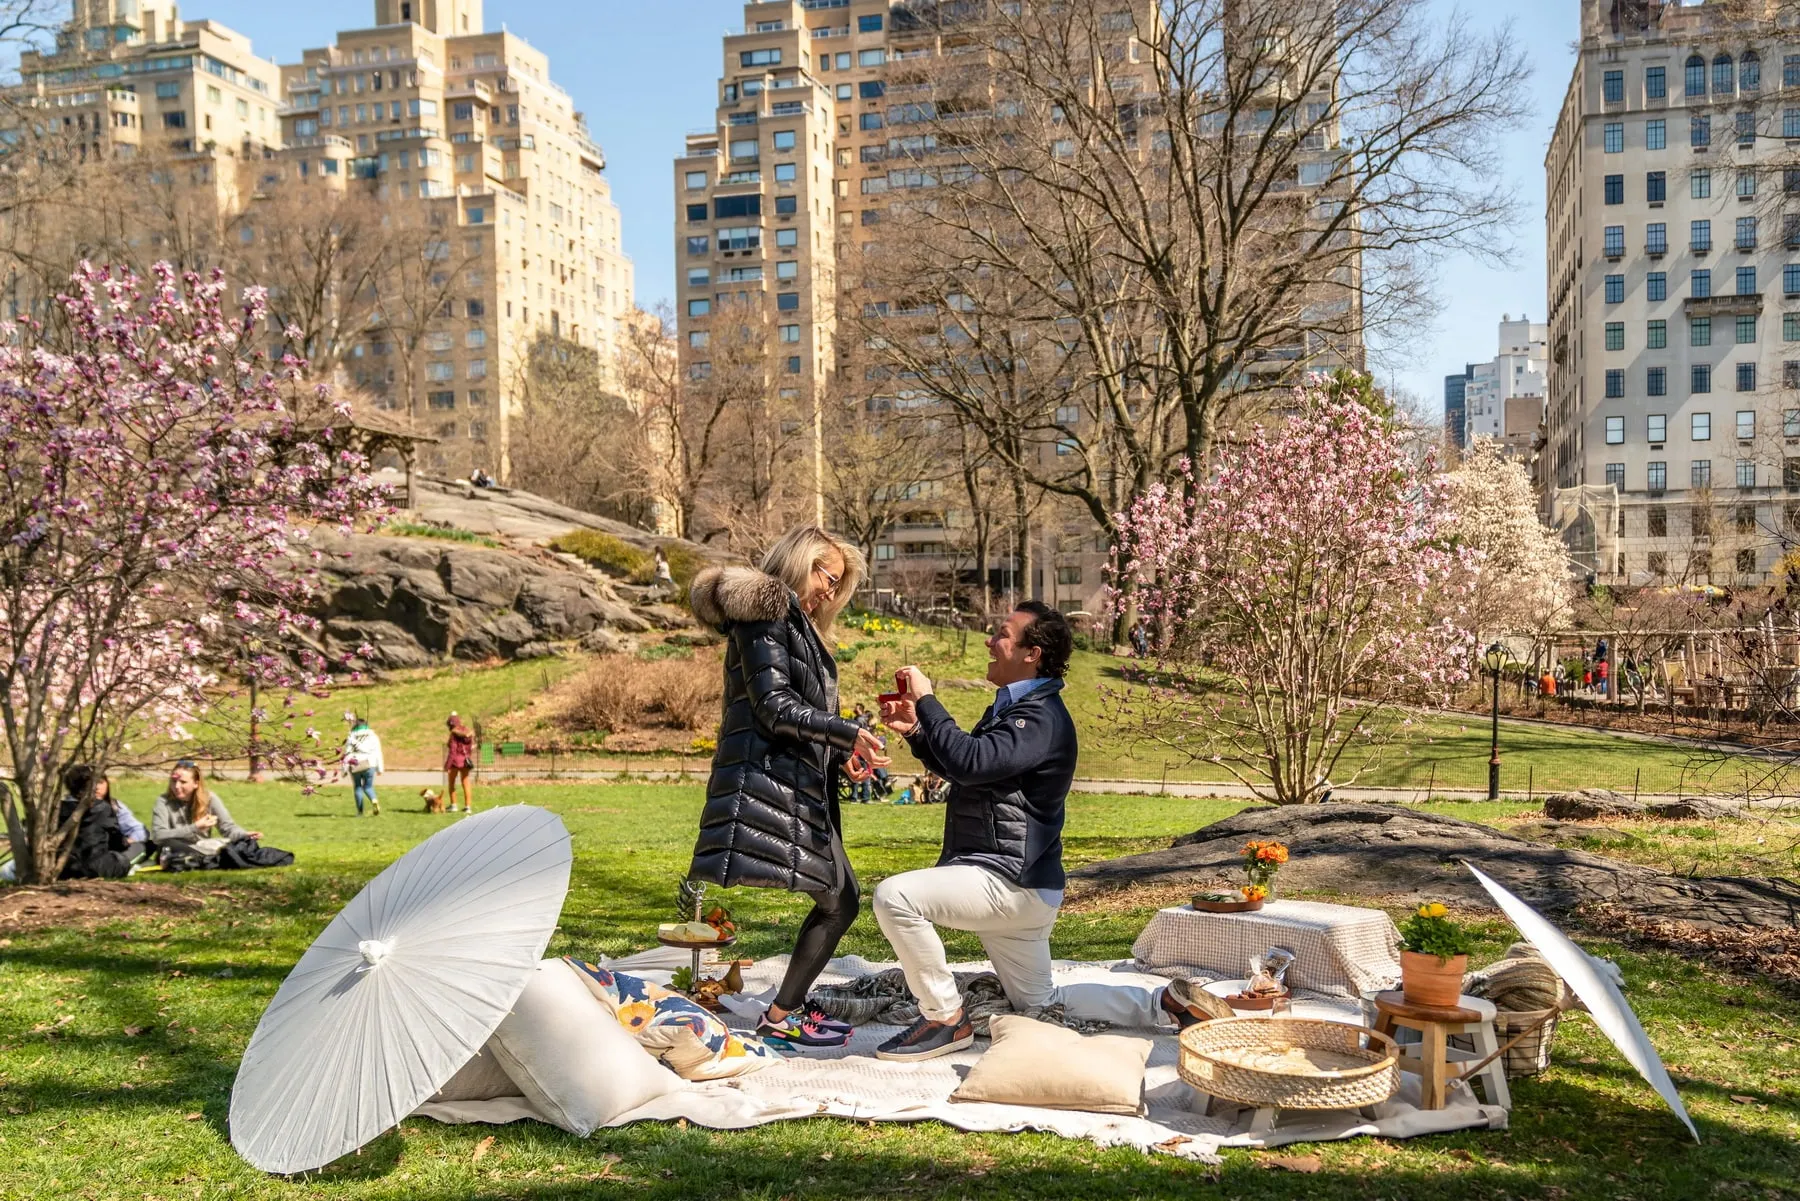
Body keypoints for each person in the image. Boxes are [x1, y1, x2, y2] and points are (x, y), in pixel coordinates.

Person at [872, 604, 1218, 1061]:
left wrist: (929, 701)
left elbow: (971, 762)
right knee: (1040, 1004)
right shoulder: (1020, 709)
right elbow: (971, 770)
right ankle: (1166, 1005)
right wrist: (919, 731)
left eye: (1001, 634)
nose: (989, 642)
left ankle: (943, 1017)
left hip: (1008, 881)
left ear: (1031, 653)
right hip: (1025, 885)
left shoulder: (1039, 717)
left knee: (895, 897)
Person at [687, 525, 889, 1051]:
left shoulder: (797, 624)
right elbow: (773, 709)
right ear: (802, 562)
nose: (830, 591)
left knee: (841, 899)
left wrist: (841, 754)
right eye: (828, 577)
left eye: (838, 584)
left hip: (798, 782)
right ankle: (782, 1015)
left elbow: (805, 712)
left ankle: (784, 1011)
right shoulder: (766, 615)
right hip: (767, 780)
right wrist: (846, 732)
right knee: (840, 900)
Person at [152, 760, 259, 860]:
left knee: (240, 843)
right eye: (173, 781)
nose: (177, 786)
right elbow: (158, 836)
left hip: (203, 846)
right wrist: (195, 828)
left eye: (183, 782)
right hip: (175, 850)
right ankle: (214, 857)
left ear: (196, 783)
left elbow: (227, 827)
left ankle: (212, 856)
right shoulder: (163, 801)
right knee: (168, 845)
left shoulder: (210, 799)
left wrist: (244, 835)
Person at [56, 765, 134, 879]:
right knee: (124, 859)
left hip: (63, 867)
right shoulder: (102, 808)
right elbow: (116, 839)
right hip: (95, 864)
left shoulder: (57, 809)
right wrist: (125, 843)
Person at [97, 774, 149, 865]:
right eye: (91, 784)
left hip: (113, 850)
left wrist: (128, 841)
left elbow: (140, 830)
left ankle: (118, 863)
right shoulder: (72, 808)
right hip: (88, 852)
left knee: (143, 846)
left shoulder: (115, 806)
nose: (96, 787)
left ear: (107, 785)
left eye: (100, 783)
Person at [341, 715, 385, 817]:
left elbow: (347, 754)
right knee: (368, 787)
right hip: (370, 764)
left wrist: (344, 770)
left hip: (355, 764)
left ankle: (360, 812)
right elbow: (378, 752)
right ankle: (374, 800)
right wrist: (380, 768)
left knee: (357, 787)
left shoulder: (351, 737)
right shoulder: (373, 736)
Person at [443, 714, 476, 813]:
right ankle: (468, 807)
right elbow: (470, 748)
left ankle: (454, 805)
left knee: (452, 783)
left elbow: (453, 751)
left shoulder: (454, 734)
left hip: (455, 762)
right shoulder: (467, 731)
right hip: (465, 762)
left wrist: (447, 765)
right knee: (466, 783)